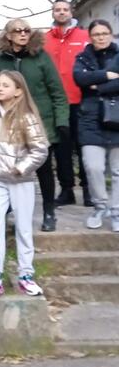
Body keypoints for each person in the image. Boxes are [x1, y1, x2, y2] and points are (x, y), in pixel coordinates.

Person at [0, 17, 68, 232]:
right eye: (17, 31)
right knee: (9, 167)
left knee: (43, 170)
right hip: (10, 125)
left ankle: (49, 212)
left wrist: (61, 121)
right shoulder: (1, 61)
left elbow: (57, 92)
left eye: (26, 30)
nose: (23, 34)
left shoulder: (41, 58)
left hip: (41, 123)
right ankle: (6, 209)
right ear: (8, 35)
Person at [0, 70, 49, 298]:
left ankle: (26, 275)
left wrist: (21, 167)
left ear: (18, 91)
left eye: (6, 85)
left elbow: (40, 149)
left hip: (21, 181)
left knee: (23, 228)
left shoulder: (26, 117)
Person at [44, 0, 91, 207]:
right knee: (61, 149)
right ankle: (67, 190)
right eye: (57, 10)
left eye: (65, 9)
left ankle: (89, 190)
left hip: (82, 101)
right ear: (53, 13)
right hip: (57, 104)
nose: (61, 13)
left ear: (71, 12)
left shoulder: (85, 36)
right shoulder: (44, 40)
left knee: (85, 148)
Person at [73, 19, 119, 231]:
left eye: (104, 33)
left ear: (111, 34)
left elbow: (91, 83)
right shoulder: (83, 57)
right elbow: (79, 79)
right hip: (90, 120)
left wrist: (97, 86)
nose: (101, 37)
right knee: (93, 167)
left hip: (116, 118)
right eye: (96, 34)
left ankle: (116, 211)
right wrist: (107, 76)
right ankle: (100, 206)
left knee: (118, 171)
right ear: (90, 37)